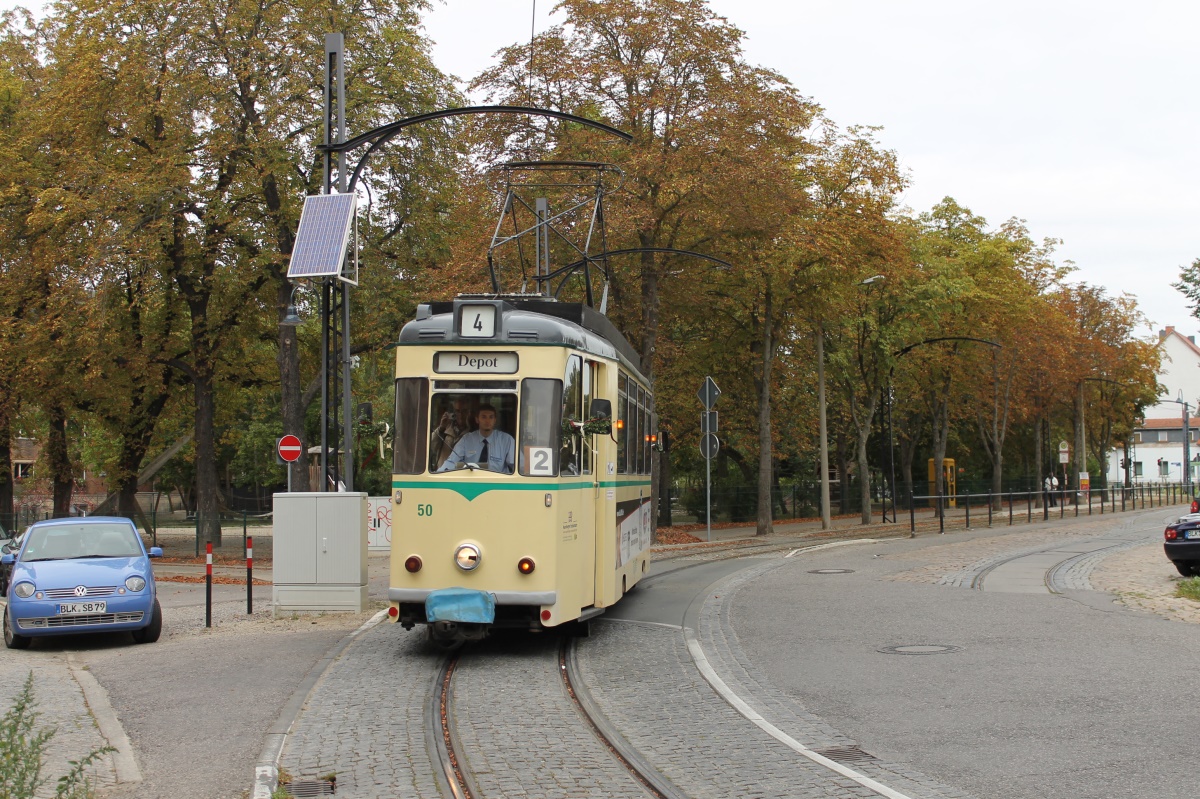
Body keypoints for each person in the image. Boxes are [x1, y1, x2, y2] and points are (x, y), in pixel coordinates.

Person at [438, 404, 515, 473]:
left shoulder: (507, 440)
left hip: (498, 485)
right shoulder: (467, 439)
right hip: (472, 483)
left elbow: (520, 466)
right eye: (483, 417)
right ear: (477, 419)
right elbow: (451, 462)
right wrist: (439, 476)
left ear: (495, 420)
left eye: (491, 417)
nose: (487, 421)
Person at [430, 396, 475, 470]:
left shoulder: (473, 433)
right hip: (444, 471)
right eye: (457, 411)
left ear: (469, 412)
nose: (460, 414)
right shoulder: (445, 430)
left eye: (464, 411)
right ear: (453, 413)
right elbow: (431, 446)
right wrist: (441, 428)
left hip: (464, 472)